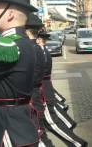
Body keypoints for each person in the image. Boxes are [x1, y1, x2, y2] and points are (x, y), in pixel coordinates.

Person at [0, 0, 39, 146]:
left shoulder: (11, 45)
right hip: (11, 126)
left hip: (6, 130)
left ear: (9, 14)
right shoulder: (22, 42)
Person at [37, 30, 88, 147]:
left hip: (43, 90)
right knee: (53, 117)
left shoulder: (41, 52)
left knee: (52, 122)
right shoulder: (41, 50)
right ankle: (70, 127)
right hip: (45, 88)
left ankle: (77, 143)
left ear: (40, 39)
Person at [26, 13, 55, 146]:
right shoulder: (37, 48)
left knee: (40, 133)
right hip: (37, 91)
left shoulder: (35, 49)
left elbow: (37, 75)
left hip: (35, 94)